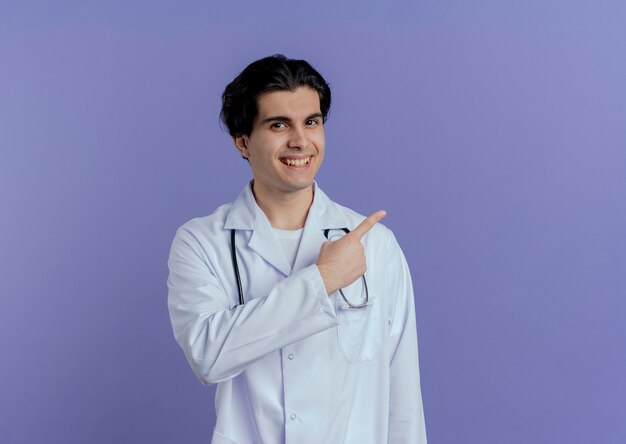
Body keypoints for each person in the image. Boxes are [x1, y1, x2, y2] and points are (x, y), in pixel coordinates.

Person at [167, 54, 427, 444]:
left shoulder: (374, 243)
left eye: (312, 122)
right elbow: (209, 355)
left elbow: (403, 393)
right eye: (278, 125)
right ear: (242, 142)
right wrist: (321, 281)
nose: (300, 141)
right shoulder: (202, 242)